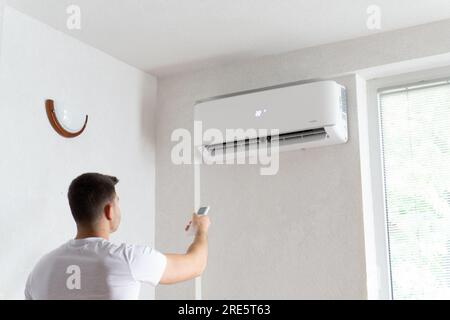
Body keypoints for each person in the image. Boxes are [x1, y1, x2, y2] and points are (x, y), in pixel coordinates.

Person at [24, 173, 210, 299]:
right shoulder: (128, 259)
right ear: (109, 210)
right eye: (117, 203)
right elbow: (196, 264)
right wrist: (201, 229)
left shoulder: (41, 268)